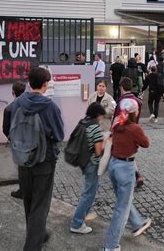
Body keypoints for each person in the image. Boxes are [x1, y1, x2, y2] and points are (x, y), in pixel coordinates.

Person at [10, 67, 65, 251]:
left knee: (29, 201)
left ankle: (39, 234)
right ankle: (32, 245)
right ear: (45, 84)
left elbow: (8, 127)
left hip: (22, 158)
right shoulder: (50, 107)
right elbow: (58, 135)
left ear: (29, 82)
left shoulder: (18, 102)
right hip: (44, 160)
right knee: (40, 205)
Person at [104, 98, 152, 251]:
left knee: (123, 200)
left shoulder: (117, 123)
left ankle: (137, 222)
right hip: (126, 168)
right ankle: (110, 246)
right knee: (121, 209)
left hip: (113, 165)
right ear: (134, 112)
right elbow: (146, 143)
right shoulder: (135, 128)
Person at [69, 103, 107, 234]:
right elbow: (98, 151)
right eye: (102, 116)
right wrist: (105, 142)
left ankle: (84, 214)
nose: (102, 119)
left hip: (84, 161)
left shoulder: (83, 122)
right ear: (97, 115)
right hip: (92, 163)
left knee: (90, 190)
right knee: (88, 193)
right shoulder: (95, 128)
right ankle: (77, 223)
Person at [113, 77, 144, 188]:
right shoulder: (137, 101)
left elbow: (118, 117)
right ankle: (137, 175)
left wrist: (113, 129)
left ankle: (134, 175)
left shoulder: (122, 101)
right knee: (130, 154)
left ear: (121, 88)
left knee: (122, 155)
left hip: (122, 131)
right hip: (134, 129)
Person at [2, 81, 27, 199]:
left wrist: (12, 138)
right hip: (30, 139)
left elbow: (5, 129)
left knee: (21, 167)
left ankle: (23, 191)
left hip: (17, 142)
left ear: (13, 93)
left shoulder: (8, 109)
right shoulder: (30, 106)